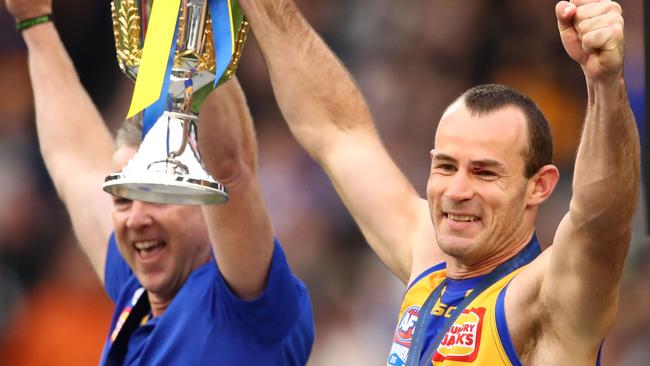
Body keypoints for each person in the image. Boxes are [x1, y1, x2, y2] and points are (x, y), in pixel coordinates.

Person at [237, 0, 638, 364]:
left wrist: (604, 83)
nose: (458, 191)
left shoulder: (544, 299)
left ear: (540, 185)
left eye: (485, 172)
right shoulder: (427, 260)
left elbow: (600, 223)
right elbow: (339, 133)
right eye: (446, 167)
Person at [6, 0, 314, 364]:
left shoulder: (242, 302)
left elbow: (231, 168)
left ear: (208, 202)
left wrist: (184, 26)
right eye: (122, 199)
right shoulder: (137, 292)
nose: (136, 218)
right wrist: (36, 23)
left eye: (158, 195)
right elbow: (73, 164)